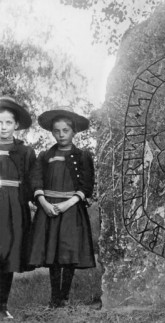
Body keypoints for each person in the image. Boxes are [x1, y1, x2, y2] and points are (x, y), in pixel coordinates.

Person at [28, 108, 95, 308]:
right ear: (52, 132)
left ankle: (64, 297)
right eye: (57, 131)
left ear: (74, 132)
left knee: (68, 254)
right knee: (53, 255)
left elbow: (87, 185)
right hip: (48, 210)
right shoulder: (45, 155)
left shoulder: (83, 156)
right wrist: (44, 203)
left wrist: (68, 203)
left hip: (71, 210)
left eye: (66, 130)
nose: (61, 134)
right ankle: (54, 298)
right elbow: (36, 180)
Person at [0, 96, 35, 320]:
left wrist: (33, 199)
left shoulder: (25, 151)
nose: (3, 128)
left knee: (7, 254)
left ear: (16, 125)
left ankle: (2, 305)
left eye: (8, 123)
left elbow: (33, 179)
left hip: (12, 207)